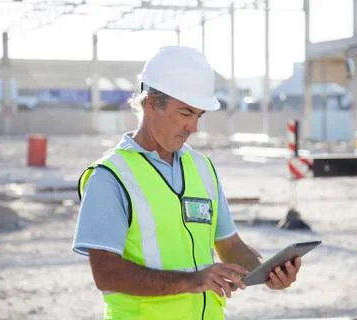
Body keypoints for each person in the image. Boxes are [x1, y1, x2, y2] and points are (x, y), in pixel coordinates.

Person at [72, 46, 301, 320]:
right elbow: (106, 274)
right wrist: (194, 281)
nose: (194, 127)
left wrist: (268, 272)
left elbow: (229, 246)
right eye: (185, 113)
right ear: (150, 103)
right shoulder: (110, 177)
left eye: (199, 115)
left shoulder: (202, 168)